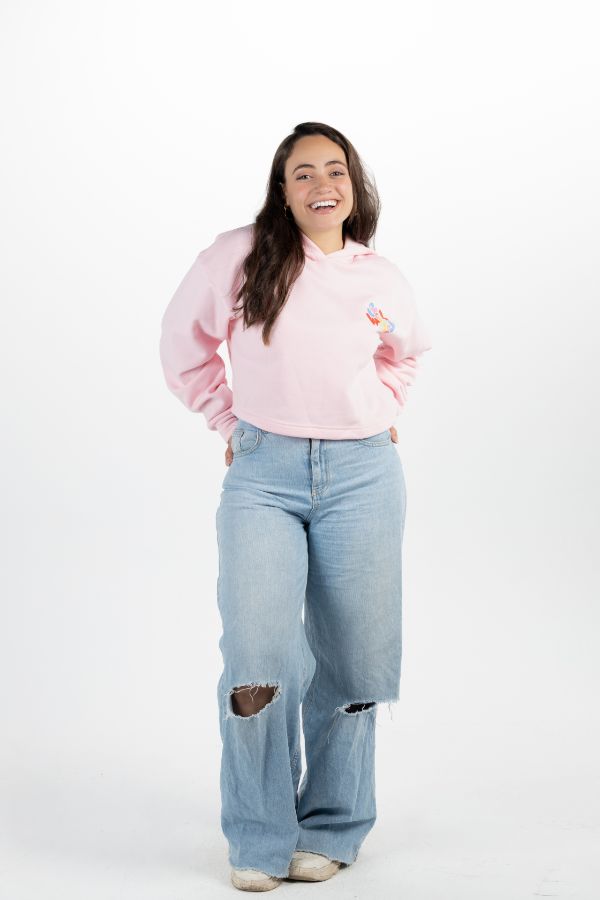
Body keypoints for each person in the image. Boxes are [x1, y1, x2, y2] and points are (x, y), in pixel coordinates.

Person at [159, 121, 432, 892]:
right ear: (282, 190)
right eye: (303, 172)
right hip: (265, 476)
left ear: (354, 185)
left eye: (335, 170)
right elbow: (182, 345)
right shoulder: (239, 255)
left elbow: (403, 355)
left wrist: (380, 408)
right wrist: (227, 422)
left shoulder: (380, 277)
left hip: (364, 476)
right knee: (259, 659)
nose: (321, 184)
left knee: (354, 659)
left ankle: (334, 826)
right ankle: (258, 834)